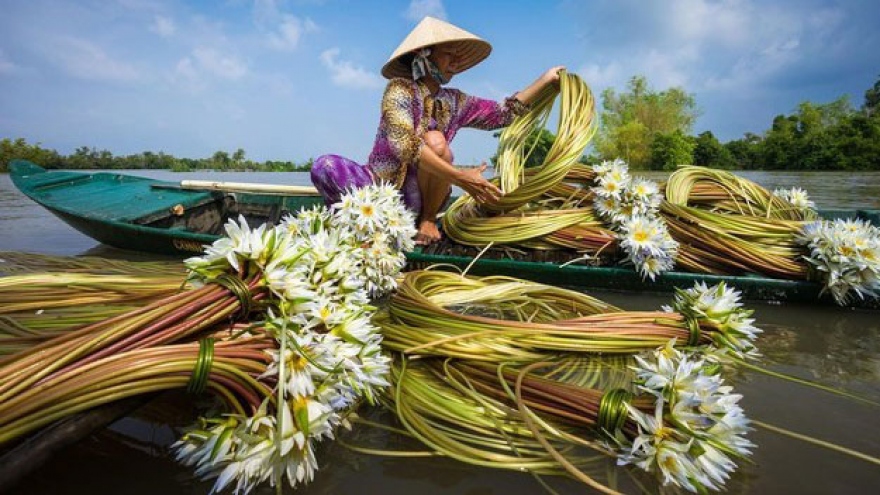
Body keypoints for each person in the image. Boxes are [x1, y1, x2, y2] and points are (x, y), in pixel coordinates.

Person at [311, 16, 563, 245]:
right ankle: (356, 228)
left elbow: (502, 113)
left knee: (436, 141)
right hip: (377, 190)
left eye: (458, 56)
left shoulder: (455, 101)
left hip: (416, 202)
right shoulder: (399, 89)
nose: (456, 62)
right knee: (324, 166)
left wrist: (546, 80)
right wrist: (461, 177)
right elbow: (403, 143)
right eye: (448, 54)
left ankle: (428, 222)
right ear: (424, 55)